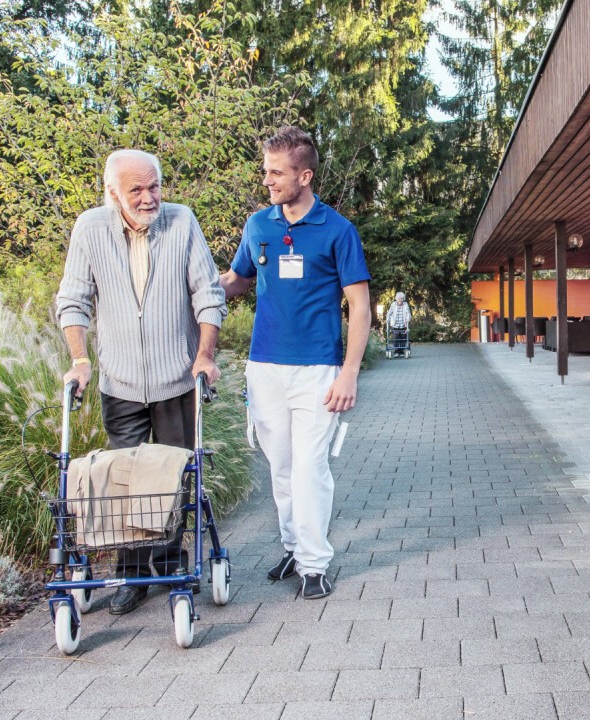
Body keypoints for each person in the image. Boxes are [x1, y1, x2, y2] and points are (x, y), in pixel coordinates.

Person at [56, 149, 226, 615]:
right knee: (126, 481)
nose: (150, 197)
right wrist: (80, 360)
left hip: (177, 378)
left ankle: (173, 568)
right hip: (120, 382)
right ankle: (132, 576)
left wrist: (205, 356)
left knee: (172, 477)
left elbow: (208, 295)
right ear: (113, 194)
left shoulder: (183, 221)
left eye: (155, 186)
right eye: (137, 190)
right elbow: (73, 301)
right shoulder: (90, 229)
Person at [220, 126, 371, 600]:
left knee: (310, 468)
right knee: (281, 467)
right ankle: (292, 547)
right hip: (264, 367)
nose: (267, 180)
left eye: (276, 172)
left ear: (304, 175)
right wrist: (193, 290)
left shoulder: (338, 230)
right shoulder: (258, 225)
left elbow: (360, 307)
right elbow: (238, 281)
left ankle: (314, 563)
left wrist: (349, 372)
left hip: (318, 370)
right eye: (265, 171)